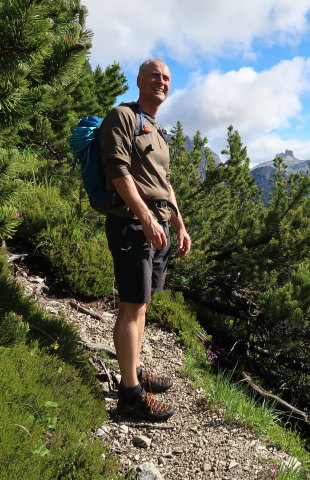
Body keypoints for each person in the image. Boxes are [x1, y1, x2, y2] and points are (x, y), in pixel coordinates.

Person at [100, 59, 191, 421]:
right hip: (133, 225)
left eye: (167, 77)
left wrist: (179, 224)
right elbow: (116, 168)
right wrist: (144, 216)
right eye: (155, 75)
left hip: (159, 225)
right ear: (139, 80)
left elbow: (164, 184)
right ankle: (130, 396)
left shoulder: (155, 127)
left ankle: (133, 369)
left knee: (143, 303)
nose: (162, 82)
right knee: (131, 305)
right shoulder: (123, 116)